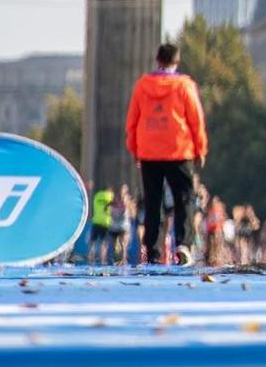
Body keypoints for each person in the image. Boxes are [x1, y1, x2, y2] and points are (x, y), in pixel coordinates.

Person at [125, 40, 207, 268]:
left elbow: (132, 120)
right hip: (179, 150)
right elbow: (195, 120)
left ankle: (152, 249)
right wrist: (201, 149)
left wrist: (134, 148)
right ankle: (184, 244)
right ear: (176, 61)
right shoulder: (184, 86)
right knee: (185, 199)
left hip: (149, 151)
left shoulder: (142, 86)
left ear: (158, 60)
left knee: (153, 201)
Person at [88, 183, 114, 265]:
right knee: (104, 244)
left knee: (92, 242)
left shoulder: (97, 196)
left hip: (96, 221)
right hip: (106, 222)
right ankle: (103, 261)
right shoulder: (110, 196)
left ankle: (91, 260)